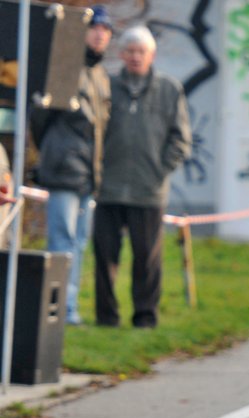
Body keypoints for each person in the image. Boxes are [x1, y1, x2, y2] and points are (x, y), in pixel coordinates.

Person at [93, 25, 192, 328]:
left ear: (152, 55)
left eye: (141, 52)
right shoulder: (107, 86)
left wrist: (159, 171)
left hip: (149, 190)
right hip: (109, 187)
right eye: (130, 51)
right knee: (105, 256)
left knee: (147, 258)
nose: (136, 57)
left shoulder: (169, 89)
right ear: (122, 54)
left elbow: (181, 139)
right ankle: (106, 317)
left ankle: (145, 316)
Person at [29, 5, 112, 325]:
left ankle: (69, 307)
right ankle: (58, 309)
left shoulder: (100, 75)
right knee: (62, 241)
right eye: (95, 28)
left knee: (78, 242)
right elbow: (40, 118)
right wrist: (55, 153)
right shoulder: (67, 67)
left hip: (88, 174)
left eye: (105, 30)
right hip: (65, 171)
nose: (100, 35)